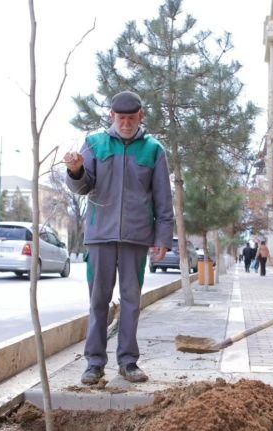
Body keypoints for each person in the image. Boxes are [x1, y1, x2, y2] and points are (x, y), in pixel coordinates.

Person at [63, 90, 174, 385]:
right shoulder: (95, 143)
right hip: (100, 235)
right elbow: (83, 186)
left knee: (131, 302)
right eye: (120, 117)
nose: (125, 123)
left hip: (136, 239)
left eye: (131, 117)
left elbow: (164, 199)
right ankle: (94, 364)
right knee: (98, 300)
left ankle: (128, 362)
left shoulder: (153, 150)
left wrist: (163, 238)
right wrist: (75, 170)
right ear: (112, 116)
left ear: (141, 116)